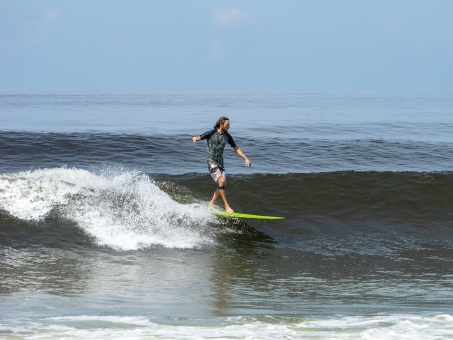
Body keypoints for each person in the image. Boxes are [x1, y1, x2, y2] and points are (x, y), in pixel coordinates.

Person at [192, 117, 251, 213]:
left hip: (220, 163)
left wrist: (246, 158)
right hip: (211, 162)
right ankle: (227, 206)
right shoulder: (211, 133)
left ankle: (210, 204)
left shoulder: (227, 136)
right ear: (221, 124)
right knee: (221, 180)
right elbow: (199, 137)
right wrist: (195, 138)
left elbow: (236, 148)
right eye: (227, 124)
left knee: (223, 184)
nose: (229, 126)